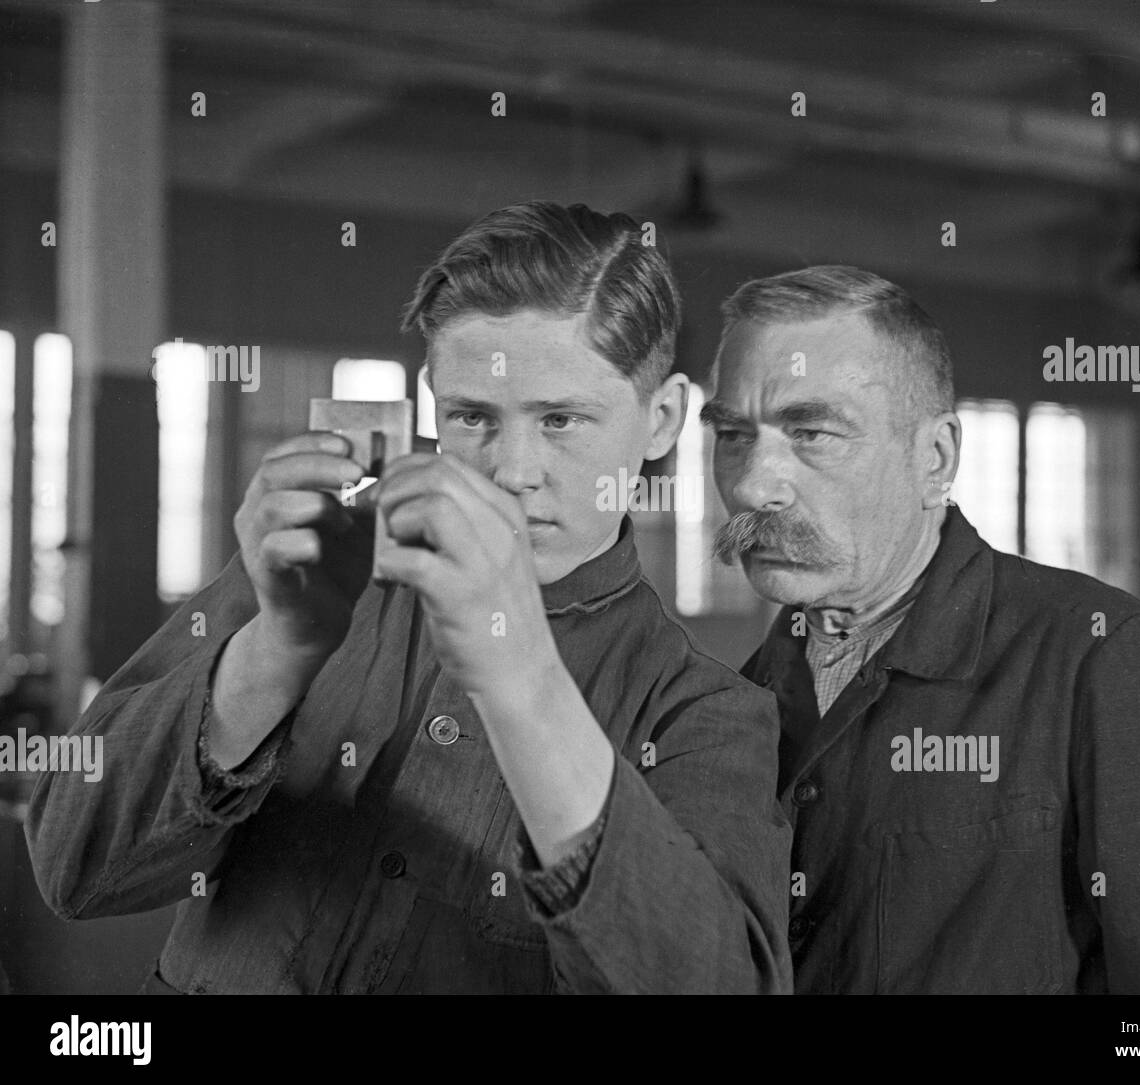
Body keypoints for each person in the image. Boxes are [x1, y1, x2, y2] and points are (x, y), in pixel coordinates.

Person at [26, 202, 791, 995]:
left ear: (662, 418)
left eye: (561, 419)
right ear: (432, 403)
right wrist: (272, 653)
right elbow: (69, 866)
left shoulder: (704, 713)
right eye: (472, 416)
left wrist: (525, 687)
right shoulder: (315, 573)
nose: (510, 471)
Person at [702, 264, 1140, 994]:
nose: (755, 483)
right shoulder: (741, 700)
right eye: (732, 432)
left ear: (937, 459)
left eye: (814, 432)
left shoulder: (1114, 671)